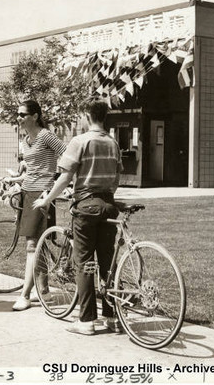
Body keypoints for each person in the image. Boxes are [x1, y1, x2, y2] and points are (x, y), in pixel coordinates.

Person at [33, 100, 123, 335]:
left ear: (86, 116)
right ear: (104, 117)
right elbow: (116, 178)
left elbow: (64, 177)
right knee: (107, 261)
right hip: (108, 205)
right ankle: (112, 318)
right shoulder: (113, 143)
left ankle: (86, 321)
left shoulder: (80, 141)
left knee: (84, 262)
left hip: (85, 205)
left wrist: (47, 198)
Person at [2, 100, 66, 311]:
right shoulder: (25, 139)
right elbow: (33, 169)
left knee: (32, 245)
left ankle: (25, 295)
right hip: (28, 192)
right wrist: (15, 180)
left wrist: (54, 186)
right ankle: (44, 291)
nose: (18, 118)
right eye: (17, 114)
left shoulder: (46, 135)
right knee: (39, 244)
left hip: (42, 193)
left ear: (35, 116)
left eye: (22, 114)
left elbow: (67, 156)